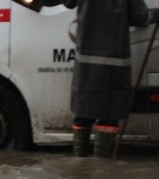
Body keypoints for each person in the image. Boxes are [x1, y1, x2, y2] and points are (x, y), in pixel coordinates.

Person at [64, 0, 159, 157]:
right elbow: (141, 17)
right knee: (109, 114)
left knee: (83, 113)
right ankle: (102, 166)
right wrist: (156, 14)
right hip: (115, 64)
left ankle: (80, 164)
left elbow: (65, 3)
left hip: (87, 63)